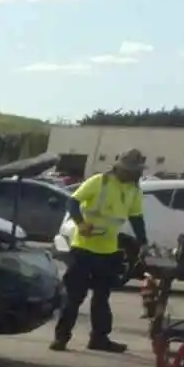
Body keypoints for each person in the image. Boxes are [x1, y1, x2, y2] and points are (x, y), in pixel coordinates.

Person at [51, 149, 148, 354]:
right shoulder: (99, 182)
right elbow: (73, 202)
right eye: (128, 170)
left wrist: (144, 244)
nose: (131, 175)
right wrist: (81, 223)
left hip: (109, 250)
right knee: (74, 296)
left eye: (134, 172)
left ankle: (99, 338)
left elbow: (136, 218)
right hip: (83, 248)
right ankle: (61, 338)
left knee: (102, 297)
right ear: (119, 167)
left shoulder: (134, 190)